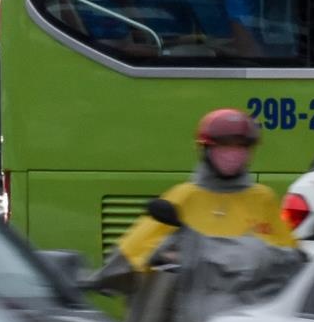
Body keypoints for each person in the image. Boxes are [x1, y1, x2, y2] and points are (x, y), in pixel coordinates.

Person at [111, 107, 297, 273]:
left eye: (240, 146)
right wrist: (167, 256)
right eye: (224, 146)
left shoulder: (263, 198)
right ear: (206, 149)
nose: (233, 154)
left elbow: (289, 254)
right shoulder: (183, 196)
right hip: (190, 303)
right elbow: (133, 251)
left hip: (248, 302)